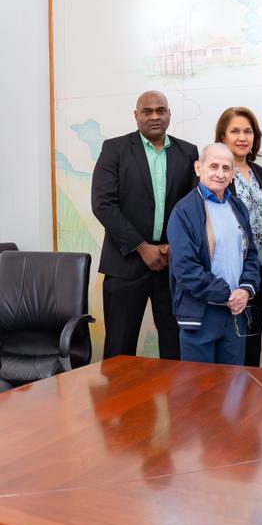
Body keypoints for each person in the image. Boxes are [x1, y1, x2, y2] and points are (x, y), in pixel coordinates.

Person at [91, 90, 198, 360]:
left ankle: (175, 391)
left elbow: (193, 208)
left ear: (169, 114)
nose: (154, 116)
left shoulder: (188, 152)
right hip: (125, 264)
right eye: (147, 111)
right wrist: (141, 247)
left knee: (176, 349)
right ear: (136, 115)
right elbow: (103, 204)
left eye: (160, 111)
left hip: (172, 266)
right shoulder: (114, 149)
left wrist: (175, 246)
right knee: (119, 350)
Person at [165, 143, 260, 365]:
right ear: (199, 168)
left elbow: (251, 255)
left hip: (234, 315)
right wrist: (227, 294)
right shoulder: (183, 211)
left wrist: (245, 290)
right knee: (199, 384)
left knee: (233, 382)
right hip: (201, 314)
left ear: (233, 173)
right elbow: (185, 269)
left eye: (226, 168)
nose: (220, 173)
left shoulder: (238, 207)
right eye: (214, 166)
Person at [216, 106, 262, 367]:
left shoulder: (260, 173)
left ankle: (250, 391)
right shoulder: (218, 173)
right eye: (235, 131)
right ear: (223, 136)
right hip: (232, 275)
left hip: (260, 272)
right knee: (231, 345)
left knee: (252, 341)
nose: (242, 137)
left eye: (248, 131)